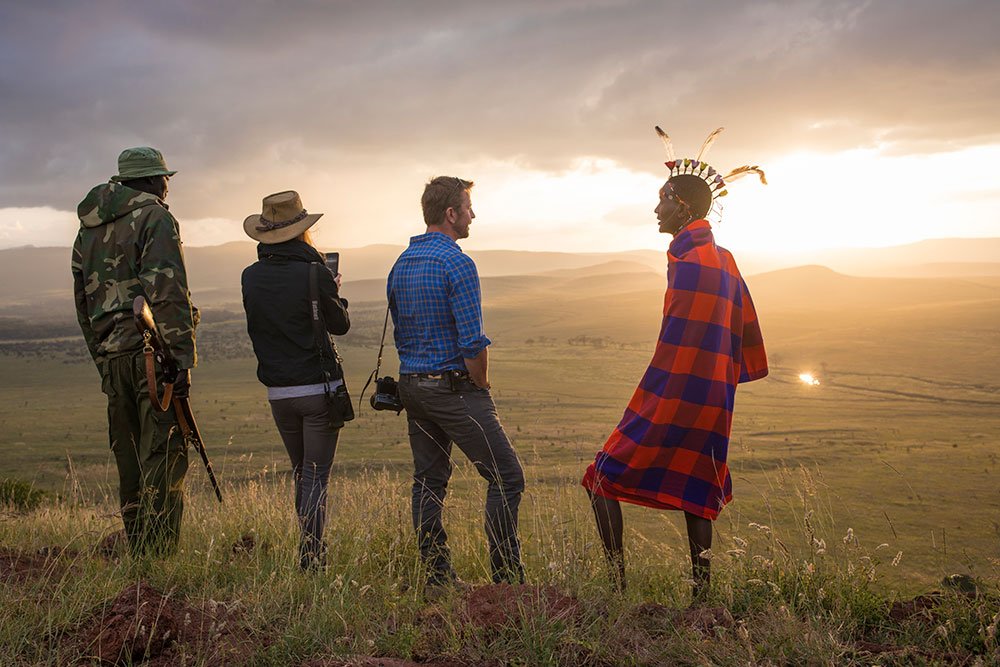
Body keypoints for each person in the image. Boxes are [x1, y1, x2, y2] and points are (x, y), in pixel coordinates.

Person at [581, 129, 769, 598]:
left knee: (600, 476)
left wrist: (658, 390)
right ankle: (702, 600)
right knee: (697, 489)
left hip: (675, 391)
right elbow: (744, 328)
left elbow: (677, 341)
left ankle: (617, 587)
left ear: (681, 206)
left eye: (661, 200)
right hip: (714, 397)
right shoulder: (724, 259)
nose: (655, 209)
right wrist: (721, 379)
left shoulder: (690, 263)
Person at [387, 176, 525, 592]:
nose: (473, 215)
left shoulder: (401, 263)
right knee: (507, 477)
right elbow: (471, 341)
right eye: (468, 208)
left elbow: (401, 333)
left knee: (429, 480)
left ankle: (436, 578)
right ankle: (507, 583)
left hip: (412, 385)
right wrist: (481, 385)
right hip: (453, 388)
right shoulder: (457, 263)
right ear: (451, 213)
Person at [72, 146, 196, 557]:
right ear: (149, 180)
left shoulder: (87, 229)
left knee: (129, 456)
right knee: (163, 452)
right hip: (151, 357)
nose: (167, 186)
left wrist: (102, 360)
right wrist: (181, 360)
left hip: (112, 358)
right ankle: (158, 559)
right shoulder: (155, 217)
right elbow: (168, 291)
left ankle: (140, 551)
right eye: (164, 178)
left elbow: (83, 305)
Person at [241, 190, 350, 570]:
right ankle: (311, 558)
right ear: (302, 230)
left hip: (278, 393)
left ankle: (309, 552)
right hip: (317, 390)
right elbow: (340, 325)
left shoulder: (250, 277)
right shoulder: (314, 273)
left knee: (302, 474)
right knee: (316, 477)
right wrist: (334, 292)